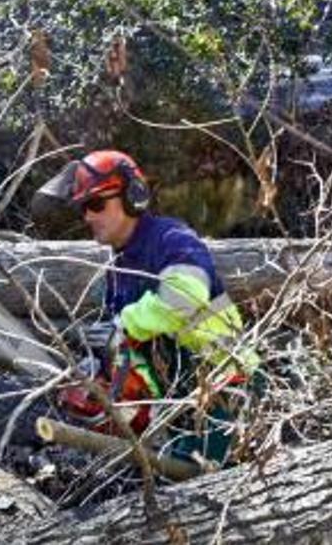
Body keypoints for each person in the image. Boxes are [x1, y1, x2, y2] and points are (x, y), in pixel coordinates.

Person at [52, 149, 260, 468]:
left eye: (96, 204)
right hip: (183, 404)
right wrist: (107, 381)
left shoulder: (171, 239)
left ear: (132, 197)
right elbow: (140, 352)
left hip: (229, 390)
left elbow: (184, 297)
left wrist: (123, 327)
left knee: (210, 492)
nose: (88, 217)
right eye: (83, 208)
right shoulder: (118, 270)